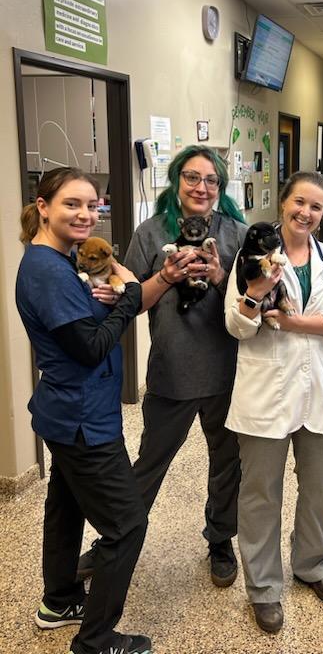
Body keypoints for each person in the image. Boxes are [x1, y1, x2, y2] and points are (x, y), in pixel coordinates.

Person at [78, 145, 247, 588]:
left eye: (211, 180)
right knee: (150, 462)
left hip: (229, 373)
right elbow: (132, 302)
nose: (202, 187)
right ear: (176, 181)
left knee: (227, 463)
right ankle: (115, 540)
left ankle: (220, 540)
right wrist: (167, 276)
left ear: (220, 188)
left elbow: (253, 304)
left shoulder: (237, 234)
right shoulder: (150, 233)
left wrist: (219, 276)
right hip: (172, 370)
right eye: (192, 177)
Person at [16, 168, 150, 654]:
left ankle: (59, 600)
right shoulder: (48, 272)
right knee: (128, 525)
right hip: (81, 419)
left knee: (66, 505)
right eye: (72, 203)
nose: (85, 214)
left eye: (92, 206)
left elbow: (82, 325)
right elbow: (90, 347)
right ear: (44, 205)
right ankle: (96, 640)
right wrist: (129, 301)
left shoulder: (60, 260)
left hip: (66, 410)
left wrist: (113, 298)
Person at [224, 171, 323, 634]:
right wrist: (253, 298)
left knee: (322, 486)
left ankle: (313, 565)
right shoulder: (253, 254)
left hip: (320, 389)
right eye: (299, 202)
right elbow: (237, 326)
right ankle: (263, 588)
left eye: (316, 207)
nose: (306, 212)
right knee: (261, 493)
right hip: (266, 391)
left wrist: (294, 322)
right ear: (283, 203)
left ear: (322, 215)